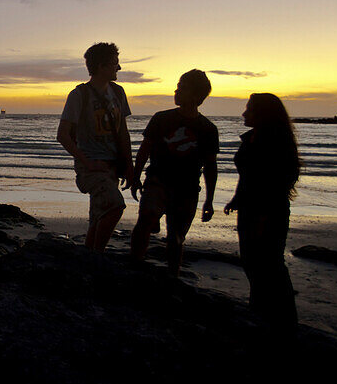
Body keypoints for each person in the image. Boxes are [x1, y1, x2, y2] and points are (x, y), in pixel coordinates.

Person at [129, 70, 219, 276]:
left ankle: (172, 275)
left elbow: (210, 166)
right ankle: (134, 264)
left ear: (196, 96)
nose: (176, 91)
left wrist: (209, 200)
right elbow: (145, 149)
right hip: (157, 181)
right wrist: (135, 177)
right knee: (146, 220)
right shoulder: (161, 119)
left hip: (187, 189)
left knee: (177, 235)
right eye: (177, 87)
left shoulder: (207, 129)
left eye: (182, 88)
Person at [224, 93, 302, 326]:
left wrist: (263, 218)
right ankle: (259, 310)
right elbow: (247, 175)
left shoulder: (276, 143)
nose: (244, 114)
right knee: (251, 261)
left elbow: (279, 182)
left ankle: (284, 319)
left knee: (269, 263)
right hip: (248, 208)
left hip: (269, 211)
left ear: (264, 114)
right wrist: (236, 199)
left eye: (250, 110)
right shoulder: (250, 139)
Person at [56, 42, 134, 251]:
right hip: (91, 165)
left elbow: (123, 133)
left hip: (112, 165)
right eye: (115, 64)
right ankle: (97, 255)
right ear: (101, 66)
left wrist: (129, 165)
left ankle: (89, 257)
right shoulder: (79, 94)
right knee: (115, 206)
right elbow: (62, 135)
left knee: (99, 215)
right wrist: (87, 162)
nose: (119, 68)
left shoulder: (118, 93)